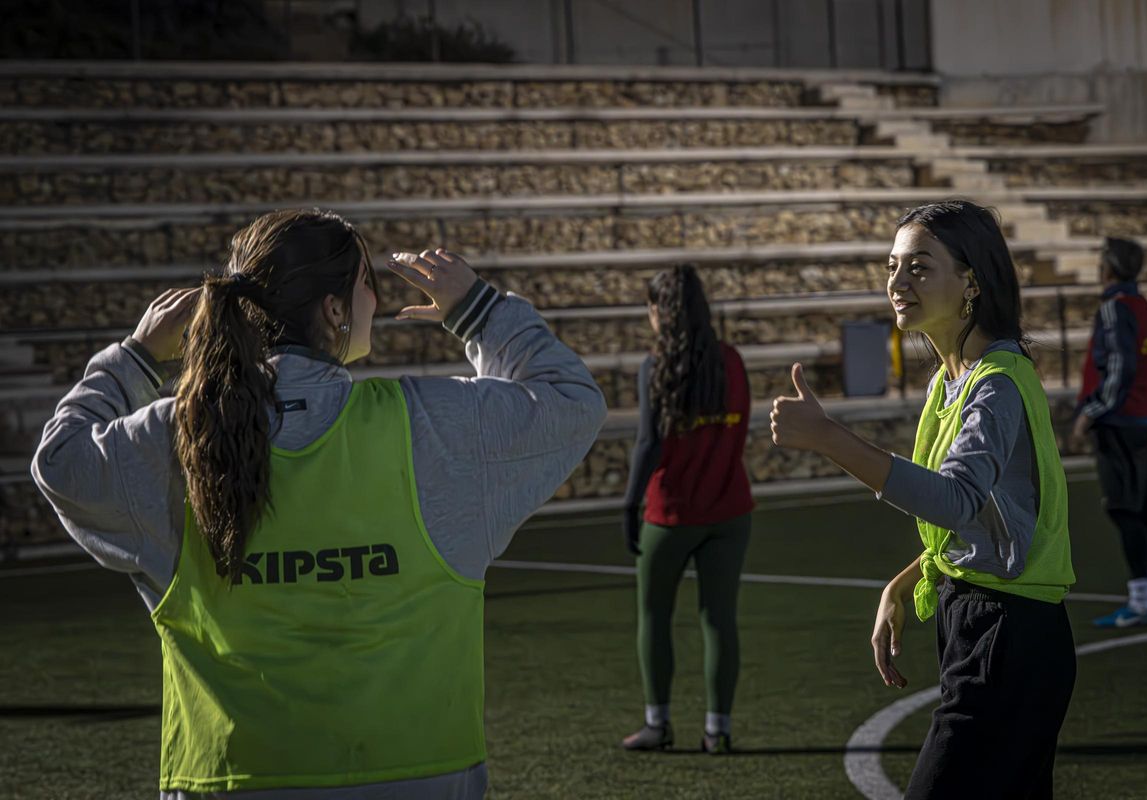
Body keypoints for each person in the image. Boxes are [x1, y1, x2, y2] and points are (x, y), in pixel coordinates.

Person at [31, 208, 607, 799]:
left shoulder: (177, 438)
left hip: (230, 776)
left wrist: (136, 357)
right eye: (366, 287)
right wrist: (478, 311)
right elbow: (568, 401)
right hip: (419, 773)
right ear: (334, 310)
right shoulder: (431, 426)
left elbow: (60, 461)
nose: (375, 304)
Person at [771, 201, 1076, 798]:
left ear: (970, 282)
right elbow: (983, 518)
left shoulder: (997, 385)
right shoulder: (950, 381)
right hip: (983, 628)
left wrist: (830, 438)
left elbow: (958, 499)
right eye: (892, 267)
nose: (897, 282)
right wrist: (907, 579)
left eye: (918, 267)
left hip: (1008, 639)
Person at [619, 265, 754, 755]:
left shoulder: (654, 367)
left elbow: (648, 444)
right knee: (719, 620)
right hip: (730, 509)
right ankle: (718, 730)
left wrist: (630, 502)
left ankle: (658, 723)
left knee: (653, 614)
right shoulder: (733, 361)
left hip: (671, 513)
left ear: (660, 311)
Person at [1072, 236, 1147, 628]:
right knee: (1146, 507)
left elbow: (1119, 368)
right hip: (1141, 424)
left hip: (1116, 426)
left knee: (1124, 510)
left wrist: (1091, 412)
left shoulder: (1114, 309)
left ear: (1107, 269)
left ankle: (1140, 600)